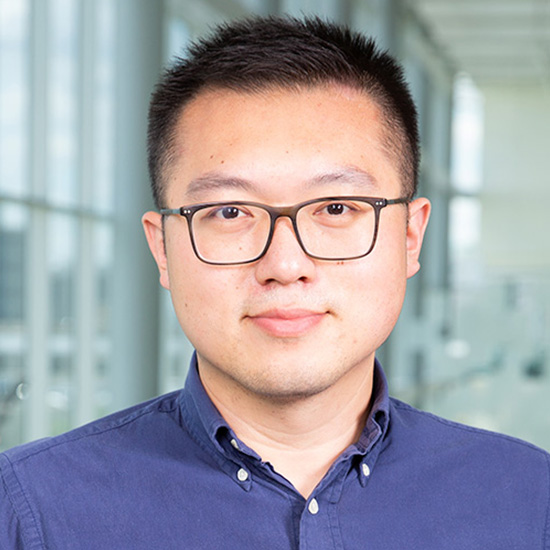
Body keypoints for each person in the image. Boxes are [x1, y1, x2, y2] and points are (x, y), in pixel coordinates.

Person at [1, 16, 548, 550]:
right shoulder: (28, 512)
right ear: (162, 248)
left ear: (409, 236)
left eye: (336, 207)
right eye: (230, 211)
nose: (285, 265)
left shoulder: (529, 499)